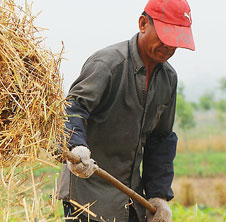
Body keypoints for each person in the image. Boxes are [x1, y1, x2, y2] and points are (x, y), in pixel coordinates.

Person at [57, 0, 195, 221]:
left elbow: (161, 140)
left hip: (131, 197)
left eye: (176, 41)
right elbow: (73, 108)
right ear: (143, 24)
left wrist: (158, 196)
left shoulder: (168, 78)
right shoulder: (107, 64)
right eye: (165, 37)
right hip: (88, 194)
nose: (170, 47)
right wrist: (76, 147)